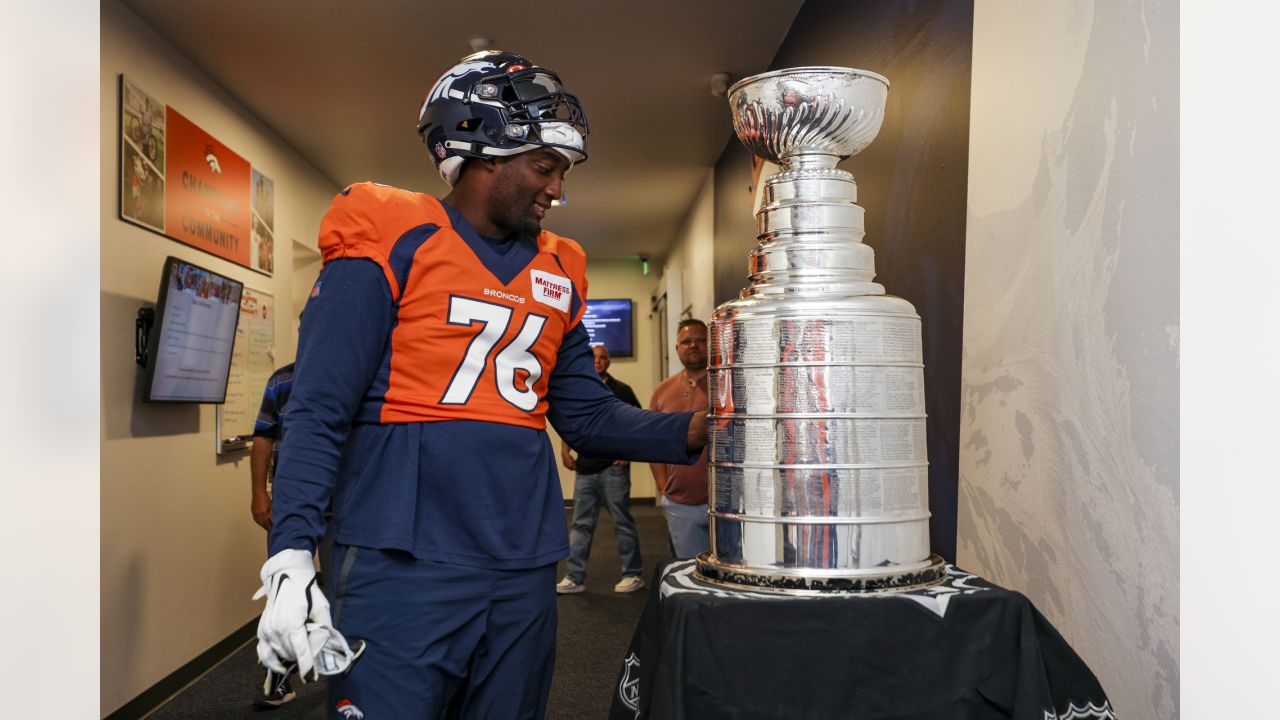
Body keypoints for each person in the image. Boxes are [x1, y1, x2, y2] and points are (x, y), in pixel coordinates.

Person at [252, 50, 708, 720]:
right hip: (402, 554)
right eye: (545, 166)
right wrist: (291, 552)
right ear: (483, 151)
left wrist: (701, 428)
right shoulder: (391, 235)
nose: (558, 188)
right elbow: (318, 411)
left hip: (523, 556)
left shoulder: (561, 268)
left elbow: (584, 414)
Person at [556, 344, 645, 594]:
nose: (598, 361)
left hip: (613, 470)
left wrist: (628, 455)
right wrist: (565, 450)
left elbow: (638, 423)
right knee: (581, 525)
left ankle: (633, 574)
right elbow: (570, 421)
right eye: (594, 357)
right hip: (585, 468)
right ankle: (574, 577)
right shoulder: (579, 388)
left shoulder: (621, 391)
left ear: (608, 362)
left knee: (622, 523)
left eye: (602, 358)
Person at [248, 361, 297, 708]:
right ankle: (278, 676)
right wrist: (259, 492)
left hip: (349, 502)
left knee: (348, 594)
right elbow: (263, 435)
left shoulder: (356, 368)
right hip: (291, 502)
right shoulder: (282, 379)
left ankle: (352, 680)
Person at [649, 319, 711, 559]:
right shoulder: (662, 391)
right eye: (686, 341)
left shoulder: (727, 383)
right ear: (677, 349)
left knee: (730, 577)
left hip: (728, 503)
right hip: (681, 503)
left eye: (700, 340)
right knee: (689, 573)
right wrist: (663, 488)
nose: (693, 345)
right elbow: (653, 443)